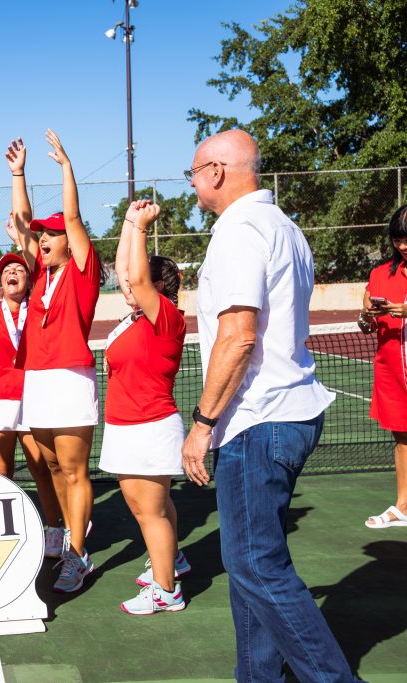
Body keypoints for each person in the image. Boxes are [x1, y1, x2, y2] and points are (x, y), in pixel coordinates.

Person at [181, 129, 358, 681]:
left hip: (260, 422)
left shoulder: (239, 231)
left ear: (215, 171)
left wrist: (202, 423)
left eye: (193, 171)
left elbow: (238, 337)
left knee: (256, 566)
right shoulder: (283, 226)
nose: (191, 182)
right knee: (249, 569)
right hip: (289, 414)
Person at [10, 132, 101, 593]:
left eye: (52, 233)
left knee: (73, 469)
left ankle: (79, 554)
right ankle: (69, 533)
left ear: (70, 240)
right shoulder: (40, 274)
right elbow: (22, 222)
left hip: (69, 379)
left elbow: (72, 216)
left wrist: (66, 166)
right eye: (42, 234)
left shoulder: (83, 271)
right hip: (39, 382)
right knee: (46, 466)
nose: (43, 238)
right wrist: (18, 174)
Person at [101, 200, 188, 615]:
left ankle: (166, 589)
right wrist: (127, 223)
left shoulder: (165, 317)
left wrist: (141, 228)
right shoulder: (136, 316)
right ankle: (171, 560)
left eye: (139, 284)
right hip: (126, 425)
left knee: (147, 511)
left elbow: (135, 274)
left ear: (155, 287)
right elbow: (126, 271)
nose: (128, 286)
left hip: (149, 425)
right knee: (155, 508)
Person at [0, 201, 62, 558]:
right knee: (0, 469)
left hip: (31, 397)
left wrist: (24, 244)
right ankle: (0, 529)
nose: (12, 274)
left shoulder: (38, 304)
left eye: (19, 270)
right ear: (0, 279)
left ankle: (54, 529)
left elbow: (38, 264)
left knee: (41, 468)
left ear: (27, 278)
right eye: (6, 271)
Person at [358, 204, 407, 529]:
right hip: (393, 371)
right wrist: (367, 317)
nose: (402, 246)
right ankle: (403, 505)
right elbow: (367, 326)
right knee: (403, 439)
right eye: (398, 240)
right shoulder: (380, 275)